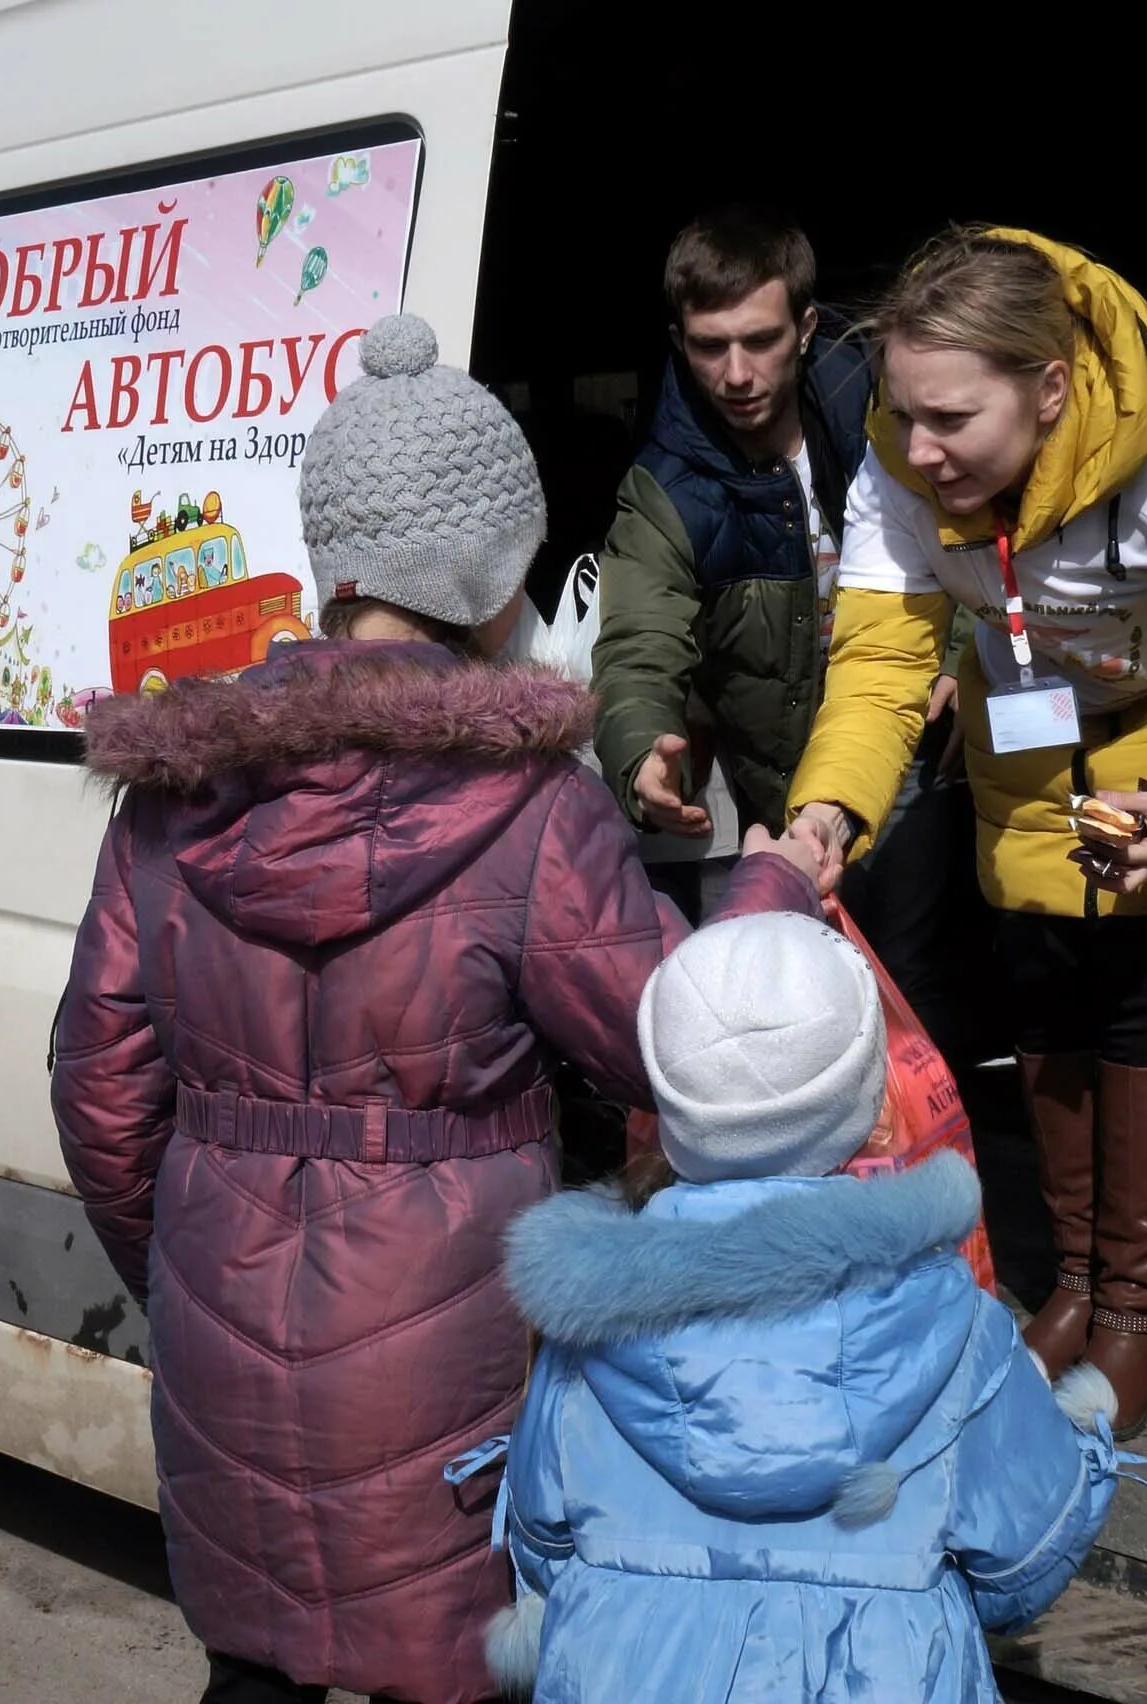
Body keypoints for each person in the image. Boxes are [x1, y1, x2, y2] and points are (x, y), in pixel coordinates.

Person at [48, 313, 822, 1704]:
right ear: (489, 579)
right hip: (450, 1356)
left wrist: (184, 1266)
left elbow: (101, 1096)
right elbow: (691, 1048)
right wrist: (768, 895)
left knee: (252, 1678)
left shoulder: (167, 801)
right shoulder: (529, 806)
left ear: (335, 564)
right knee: (448, 1679)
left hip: (220, 1329)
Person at [787, 227, 1147, 1436]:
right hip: (1021, 724)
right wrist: (824, 809)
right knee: (1044, 993)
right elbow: (885, 659)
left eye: (951, 418)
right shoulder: (902, 468)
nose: (917, 448)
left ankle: (1143, 1319)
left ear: (1050, 390)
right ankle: (1077, 1285)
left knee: (1145, 999)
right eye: (902, 413)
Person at [483, 911, 1119, 1703]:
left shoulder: (588, 1327)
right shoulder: (955, 1329)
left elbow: (542, 1540)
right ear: (862, 1103)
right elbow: (1025, 1563)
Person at [590, 208, 987, 1069]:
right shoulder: (665, 487)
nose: (736, 373)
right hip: (779, 782)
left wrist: (960, 659)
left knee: (910, 978)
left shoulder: (895, 422)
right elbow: (636, 641)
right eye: (708, 346)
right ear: (678, 340)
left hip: (911, 751)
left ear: (805, 328)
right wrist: (635, 750)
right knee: (806, 1000)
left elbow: (983, 534)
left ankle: (932, 1172)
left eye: (760, 340)